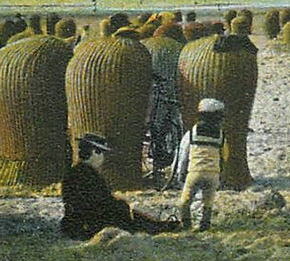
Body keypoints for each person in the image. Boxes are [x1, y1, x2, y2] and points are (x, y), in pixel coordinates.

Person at [61, 133, 180, 240]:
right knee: (128, 217)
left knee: (129, 213)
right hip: (88, 226)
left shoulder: (75, 172)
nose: (103, 159)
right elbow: (102, 204)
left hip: (76, 224)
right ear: (94, 152)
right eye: (102, 153)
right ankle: (160, 227)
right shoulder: (88, 176)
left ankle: (158, 226)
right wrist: (123, 206)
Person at [176, 98, 226, 231]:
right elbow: (224, 156)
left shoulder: (191, 134)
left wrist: (180, 174)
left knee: (185, 201)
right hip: (213, 175)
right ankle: (204, 225)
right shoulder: (221, 136)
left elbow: (183, 155)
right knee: (208, 202)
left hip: (194, 173)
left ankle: (187, 226)